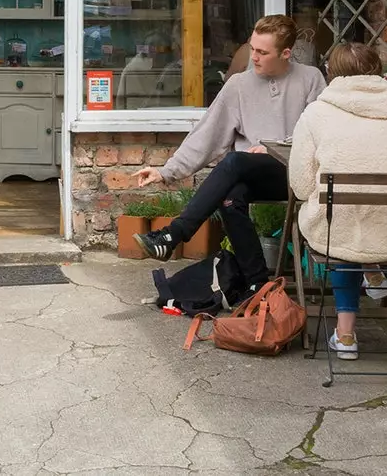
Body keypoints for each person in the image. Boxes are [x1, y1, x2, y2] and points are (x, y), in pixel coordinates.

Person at [129, 15, 326, 295]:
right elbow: (207, 133)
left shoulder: (311, 79)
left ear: (285, 53)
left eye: (262, 52)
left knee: (234, 160)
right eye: (252, 48)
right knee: (230, 196)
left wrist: (277, 146)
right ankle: (258, 285)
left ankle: (175, 233)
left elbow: (320, 131)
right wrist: (165, 171)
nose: (253, 57)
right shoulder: (238, 85)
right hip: (253, 173)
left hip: (296, 172)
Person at [287, 42, 387, 362]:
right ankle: (372, 270)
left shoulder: (317, 113)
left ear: (330, 73)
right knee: (355, 216)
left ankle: (346, 335)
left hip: (339, 230)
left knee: (338, 220)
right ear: (378, 72)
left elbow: (302, 184)